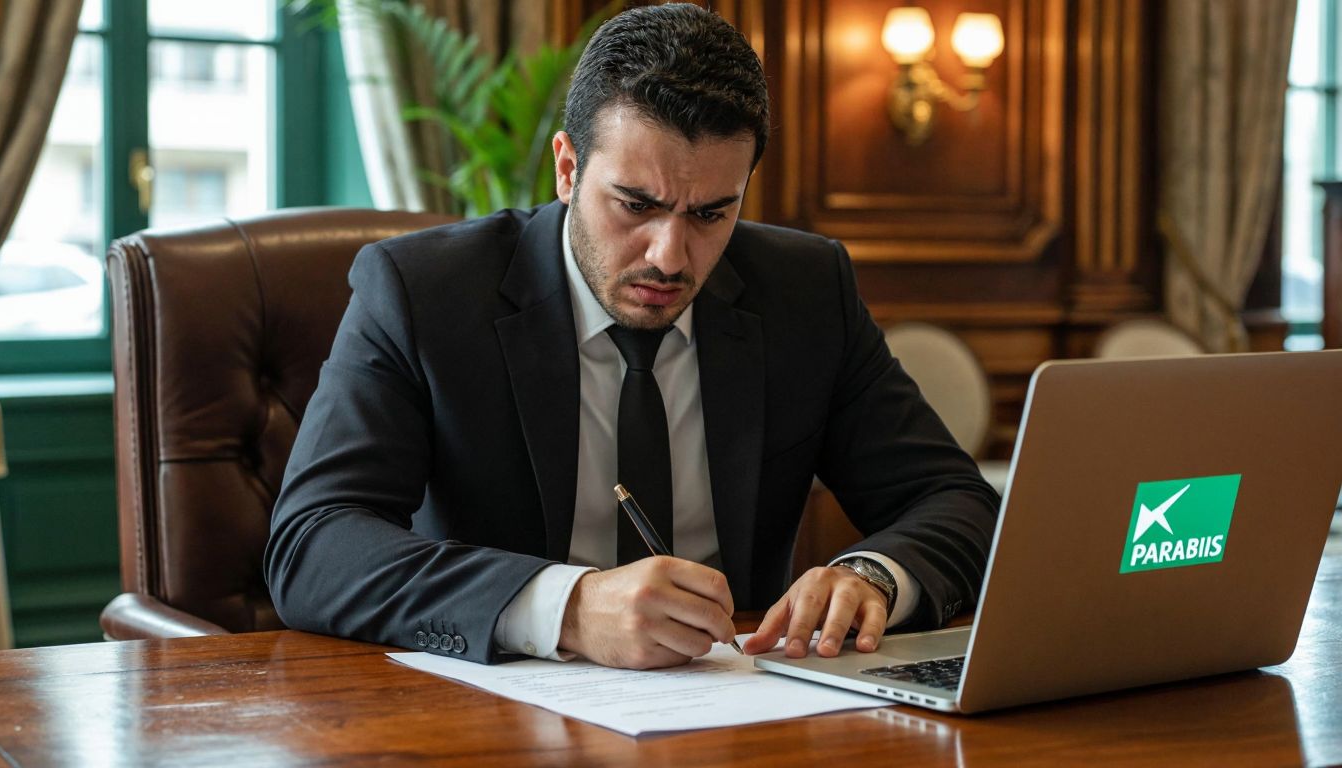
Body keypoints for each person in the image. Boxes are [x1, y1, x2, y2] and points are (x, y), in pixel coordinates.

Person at [265, 3, 998, 669]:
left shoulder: (804, 292)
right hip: (490, 719)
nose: (670, 257)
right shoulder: (422, 293)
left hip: (746, 713)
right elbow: (314, 545)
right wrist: (567, 607)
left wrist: (873, 576)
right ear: (566, 168)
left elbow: (957, 501)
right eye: (635, 205)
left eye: (712, 214)